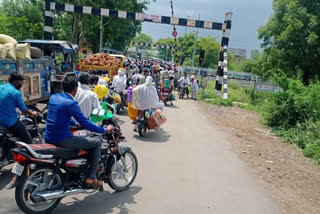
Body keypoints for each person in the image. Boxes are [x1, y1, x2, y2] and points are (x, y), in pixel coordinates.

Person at [45, 74, 113, 189]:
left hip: (48, 136)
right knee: (96, 143)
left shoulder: (54, 97)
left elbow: (60, 117)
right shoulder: (71, 103)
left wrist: (76, 124)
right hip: (63, 139)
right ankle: (91, 177)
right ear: (75, 89)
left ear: (62, 86)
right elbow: (86, 123)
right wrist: (104, 130)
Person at [0, 72, 39, 189]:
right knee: (28, 141)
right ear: (16, 82)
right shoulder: (15, 92)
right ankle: (31, 165)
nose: (22, 84)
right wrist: (33, 113)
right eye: (21, 82)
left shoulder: (1, 87)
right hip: (10, 123)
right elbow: (24, 109)